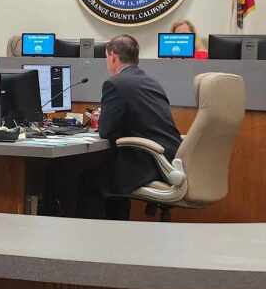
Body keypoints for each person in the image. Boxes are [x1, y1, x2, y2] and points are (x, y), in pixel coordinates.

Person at [57, 35, 181, 220]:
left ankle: (88, 240)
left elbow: (106, 131)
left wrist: (103, 118)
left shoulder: (114, 83)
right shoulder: (151, 82)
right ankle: (117, 235)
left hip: (146, 163)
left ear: (113, 56)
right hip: (168, 159)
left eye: (107, 57)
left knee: (86, 179)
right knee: (109, 176)